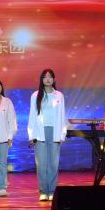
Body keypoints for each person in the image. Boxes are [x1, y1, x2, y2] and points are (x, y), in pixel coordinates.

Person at [28, 68, 67, 202]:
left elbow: (62, 116)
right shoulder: (35, 95)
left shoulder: (59, 95)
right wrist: (31, 135)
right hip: (40, 133)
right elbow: (32, 116)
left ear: (54, 79)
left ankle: (52, 191)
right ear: (42, 79)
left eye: (50, 76)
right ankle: (43, 191)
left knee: (53, 164)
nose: (48, 79)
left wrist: (62, 135)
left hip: (54, 132)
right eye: (45, 77)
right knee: (41, 164)